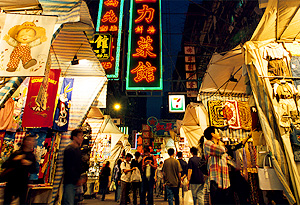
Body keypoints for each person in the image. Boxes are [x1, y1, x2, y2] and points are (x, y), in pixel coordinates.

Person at [2, 134, 37, 204]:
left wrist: (29, 164)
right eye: (29, 140)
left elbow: (34, 170)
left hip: (23, 183)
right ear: (24, 142)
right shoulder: (17, 153)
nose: (31, 142)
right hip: (11, 182)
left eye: (33, 141)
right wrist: (16, 159)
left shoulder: (31, 156)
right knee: (7, 201)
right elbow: (4, 165)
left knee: (22, 201)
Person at [203, 126, 232, 204]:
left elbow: (227, 158)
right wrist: (221, 144)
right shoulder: (207, 143)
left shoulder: (218, 145)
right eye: (217, 131)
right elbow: (221, 150)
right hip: (215, 180)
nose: (219, 133)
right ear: (212, 134)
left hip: (225, 182)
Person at [62, 129, 85, 205]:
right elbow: (68, 167)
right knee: (69, 202)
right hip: (70, 182)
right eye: (80, 136)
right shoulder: (69, 150)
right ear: (74, 137)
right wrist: (76, 179)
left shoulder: (78, 150)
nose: (82, 138)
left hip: (76, 182)